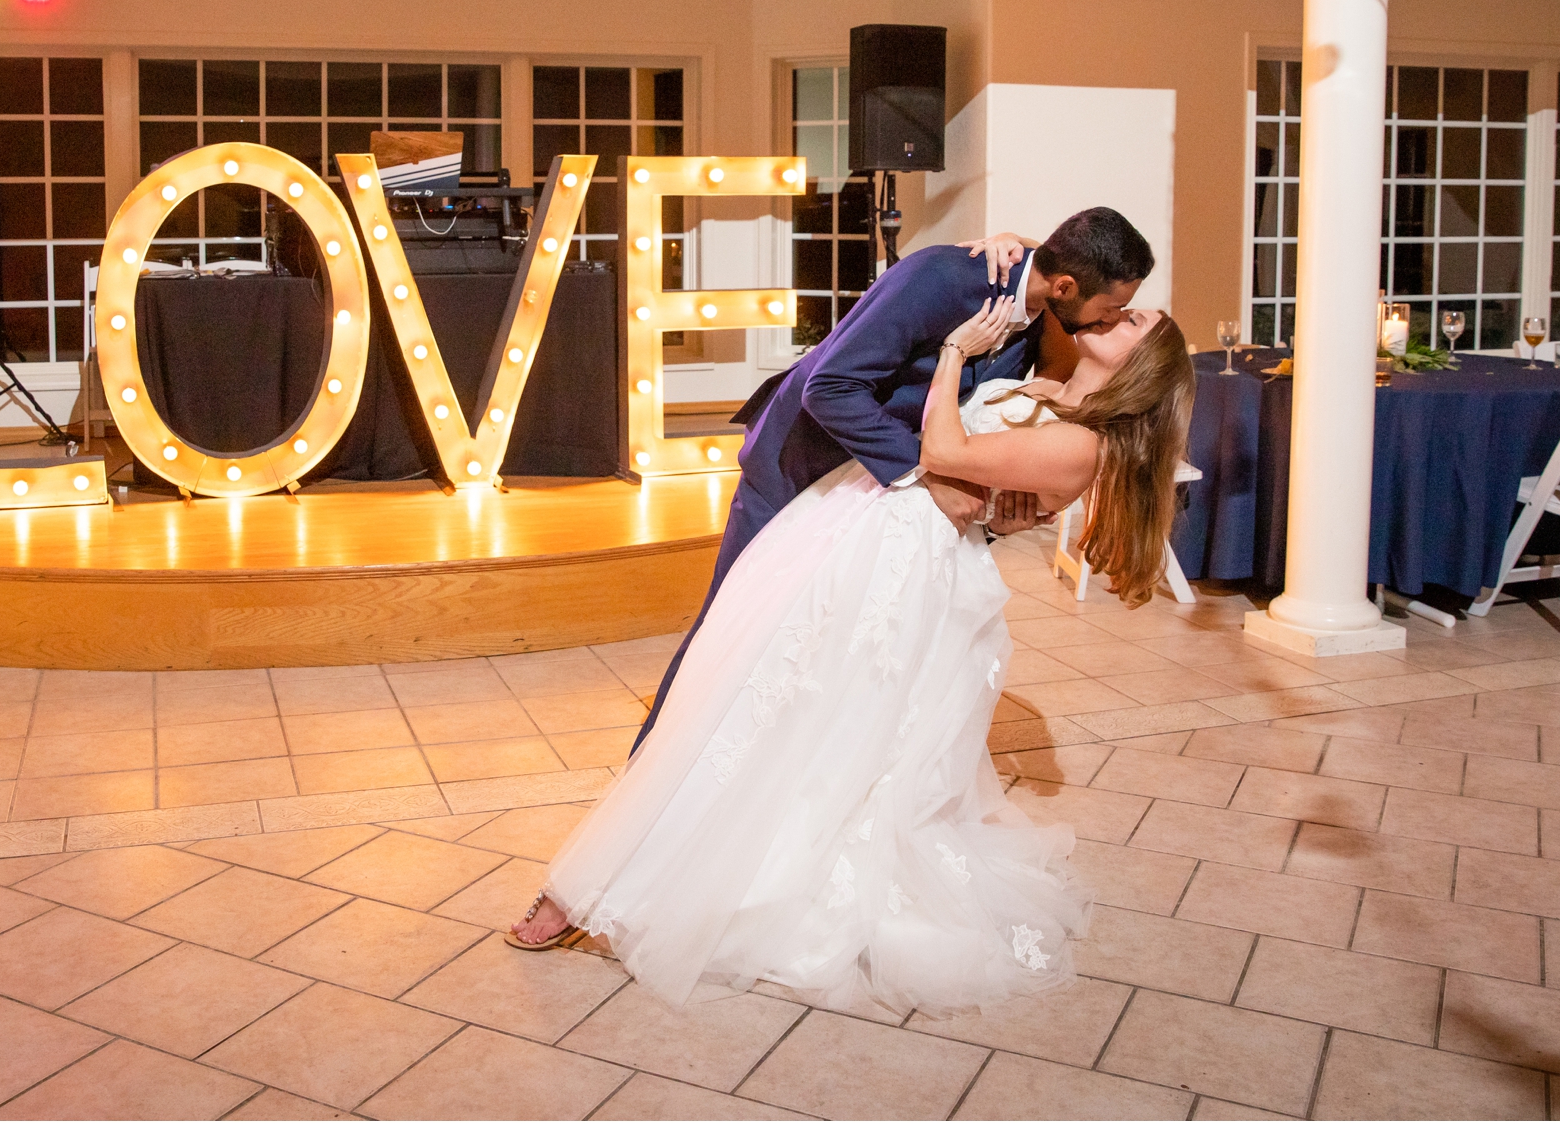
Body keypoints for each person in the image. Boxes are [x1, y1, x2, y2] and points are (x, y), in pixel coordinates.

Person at [504, 299, 1195, 1016]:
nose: (1124, 312)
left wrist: (956, 352)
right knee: (751, 701)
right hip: (856, 526)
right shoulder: (1043, 387)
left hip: (902, 570)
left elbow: (944, 454)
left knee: (817, 725)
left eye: (1137, 322)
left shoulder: (1081, 442)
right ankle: (627, 871)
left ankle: (692, 883)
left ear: (1142, 365)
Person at [630, 207, 1157, 752]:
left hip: (873, 492)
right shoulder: (939, 278)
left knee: (819, 648)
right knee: (734, 625)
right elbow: (830, 388)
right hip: (799, 460)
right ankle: (655, 763)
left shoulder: (1050, 309)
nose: (1111, 319)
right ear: (1068, 286)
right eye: (1111, 308)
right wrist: (929, 475)